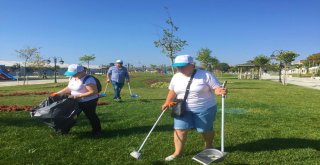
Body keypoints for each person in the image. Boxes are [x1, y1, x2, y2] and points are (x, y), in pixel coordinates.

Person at [161, 55, 227, 161]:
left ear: (192, 65)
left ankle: (208, 146)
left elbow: (216, 88)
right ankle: (177, 153)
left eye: (182, 66)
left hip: (204, 108)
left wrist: (219, 91)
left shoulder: (206, 75)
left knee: (204, 129)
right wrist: (167, 102)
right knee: (180, 129)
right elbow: (172, 91)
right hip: (181, 108)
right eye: (177, 66)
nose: (179, 69)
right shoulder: (176, 76)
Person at [51, 64, 102, 136]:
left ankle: (97, 131)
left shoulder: (88, 79)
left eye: (74, 73)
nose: (72, 75)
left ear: (81, 71)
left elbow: (93, 92)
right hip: (75, 100)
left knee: (91, 115)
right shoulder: (72, 78)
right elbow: (69, 88)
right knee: (70, 116)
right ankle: (63, 130)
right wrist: (58, 93)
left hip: (88, 101)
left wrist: (78, 96)